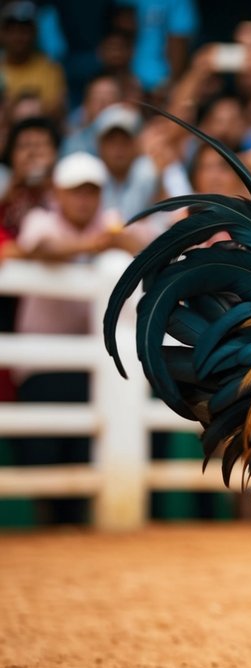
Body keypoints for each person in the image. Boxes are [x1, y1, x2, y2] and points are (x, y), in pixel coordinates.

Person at [11, 152, 148, 525]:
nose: (83, 199)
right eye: (76, 192)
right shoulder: (43, 220)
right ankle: (51, 534)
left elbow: (146, 244)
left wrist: (120, 242)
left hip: (92, 368)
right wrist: (97, 247)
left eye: (90, 191)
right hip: (40, 366)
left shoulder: (110, 225)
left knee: (82, 457)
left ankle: (77, 537)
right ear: (59, 192)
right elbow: (39, 248)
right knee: (44, 459)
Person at [90, 104, 157, 221]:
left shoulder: (149, 171)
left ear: (137, 144)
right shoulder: (89, 173)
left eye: (124, 141)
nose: (118, 149)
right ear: (99, 145)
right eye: (111, 142)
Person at [0, 0, 66, 116]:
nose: (18, 37)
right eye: (12, 31)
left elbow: (56, 111)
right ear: (2, 34)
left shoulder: (50, 68)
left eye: (24, 31)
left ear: (34, 33)